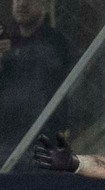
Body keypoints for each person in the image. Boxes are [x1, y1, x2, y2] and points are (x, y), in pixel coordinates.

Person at [0, 0, 77, 169]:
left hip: (43, 140)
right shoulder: (7, 44)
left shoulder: (57, 44)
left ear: (45, 4)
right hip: (6, 141)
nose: (21, 4)